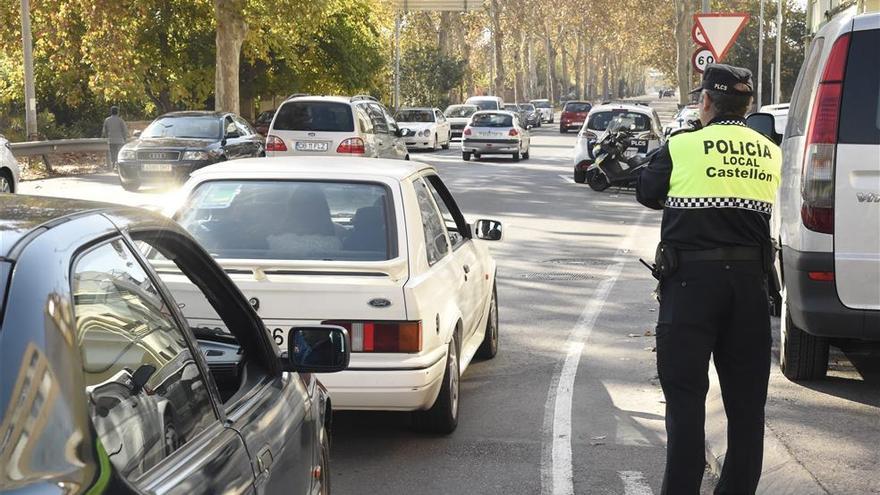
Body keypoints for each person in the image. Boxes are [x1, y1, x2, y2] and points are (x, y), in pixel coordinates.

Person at [635, 64, 782, 494]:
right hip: (750, 289)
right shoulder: (768, 150)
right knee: (747, 409)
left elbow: (647, 190)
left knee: (685, 404)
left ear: (705, 103)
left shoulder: (683, 146)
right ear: (749, 105)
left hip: (691, 288)